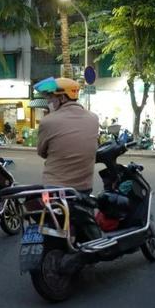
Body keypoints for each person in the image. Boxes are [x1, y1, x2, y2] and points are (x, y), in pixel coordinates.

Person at [35, 77, 101, 242]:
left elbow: (42, 152)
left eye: (51, 97)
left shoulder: (48, 121)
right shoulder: (94, 119)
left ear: (63, 98)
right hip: (83, 188)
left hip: (53, 190)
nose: (49, 101)